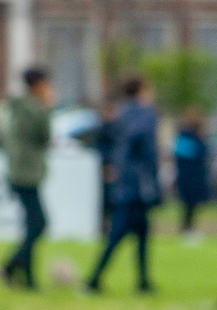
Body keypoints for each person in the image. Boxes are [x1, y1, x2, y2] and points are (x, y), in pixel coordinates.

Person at [84, 77, 159, 295]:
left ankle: (143, 281)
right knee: (119, 233)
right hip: (136, 184)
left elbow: (106, 143)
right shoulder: (143, 115)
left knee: (141, 232)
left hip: (124, 182)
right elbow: (146, 150)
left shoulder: (119, 114)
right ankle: (94, 279)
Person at [0, 67, 53, 289]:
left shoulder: (15, 106)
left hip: (18, 171)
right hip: (26, 173)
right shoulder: (35, 108)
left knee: (32, 225)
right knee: (39, 224)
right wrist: (47, 106)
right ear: (39, 85)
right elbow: (44, 136)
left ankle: (27, 278)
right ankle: (10, 267)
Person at [171, 111, 209, 241]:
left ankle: (188, 228)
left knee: (189, 205)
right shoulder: (192, 139)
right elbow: (200, 155)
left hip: (187, 176)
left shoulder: (183, 138)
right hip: (191, 176)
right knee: (188, 204)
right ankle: (187, 228)